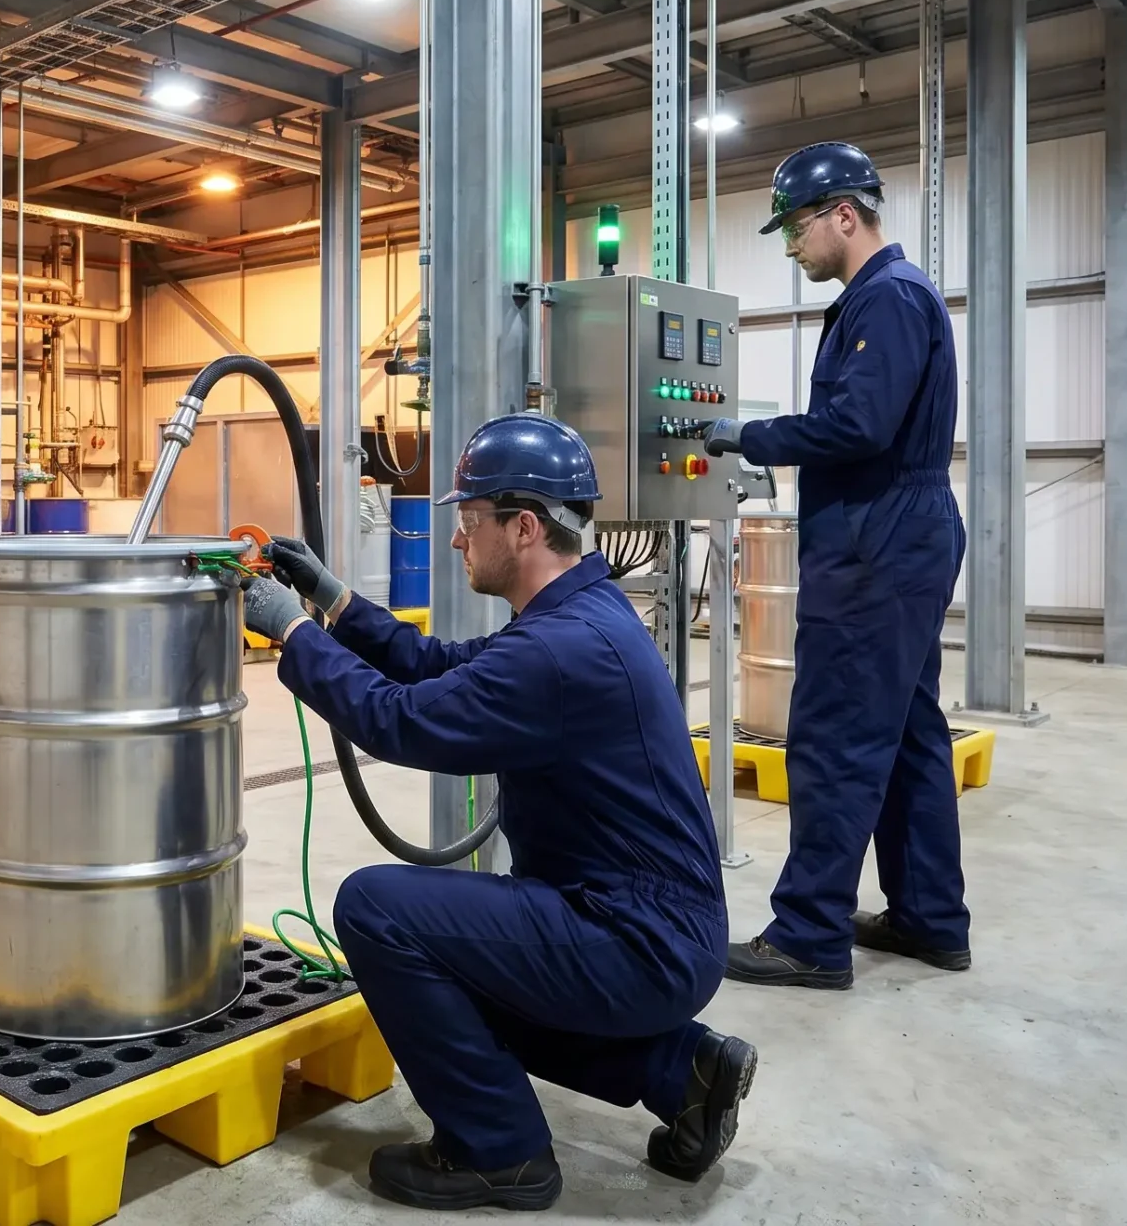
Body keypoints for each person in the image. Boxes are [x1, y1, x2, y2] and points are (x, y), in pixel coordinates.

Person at [240, 412, 755, 1212]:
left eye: (467, 521)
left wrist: (293, 633)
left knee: (379, 911)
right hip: (651, 927)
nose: (455, 539)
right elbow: (432, 665)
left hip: (636, 939)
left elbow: (400, 721)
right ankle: (682, 1072)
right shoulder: (580, 617)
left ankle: (498, 1151)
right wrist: (332, 599)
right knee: (459, 962)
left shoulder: (556, 651)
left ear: (522, 527)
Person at [699, 141, 971, 992]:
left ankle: (810, 932)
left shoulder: (886, 297)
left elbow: (859, 427)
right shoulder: (891, 295)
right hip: (901, 531)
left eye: (796, 228)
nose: (791, 246)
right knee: (908, 731)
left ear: (842, 215)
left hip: (878, 537)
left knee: (837, 735)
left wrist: (748, 433)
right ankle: (930, 917)